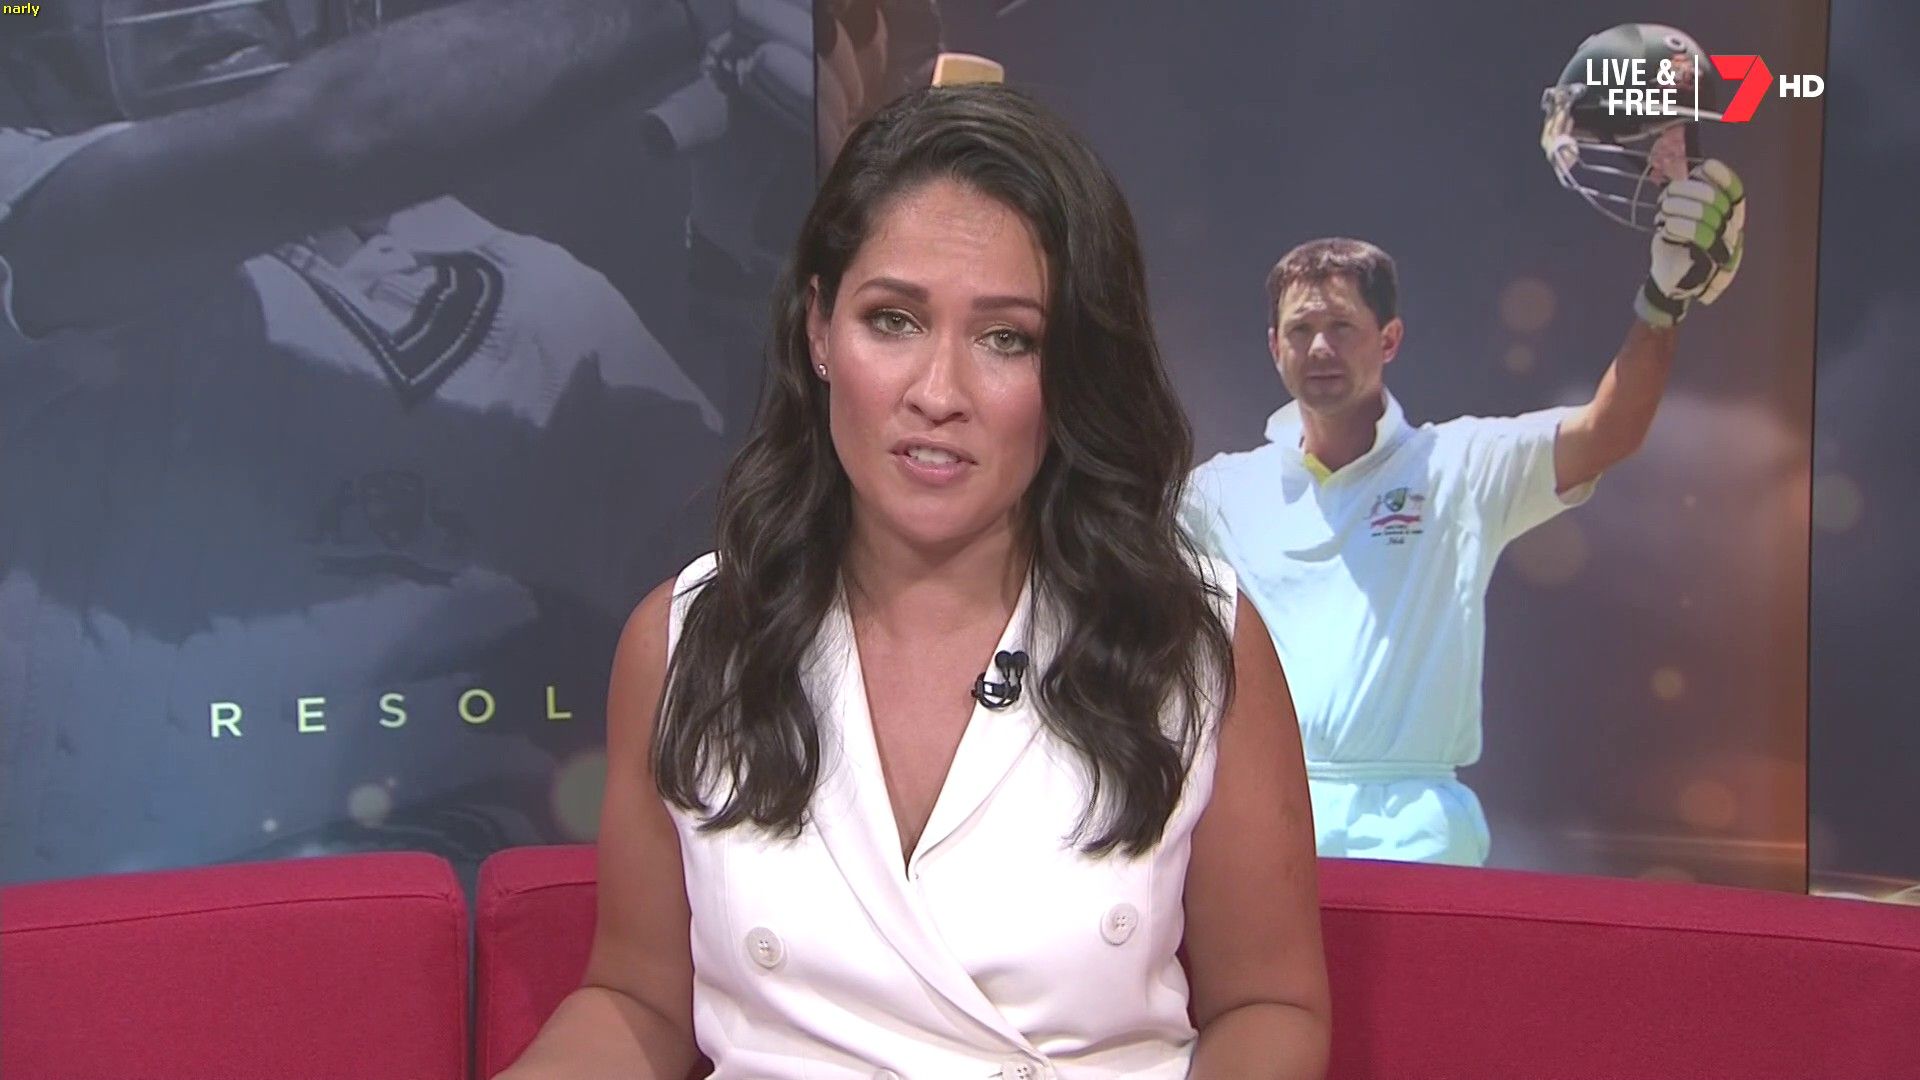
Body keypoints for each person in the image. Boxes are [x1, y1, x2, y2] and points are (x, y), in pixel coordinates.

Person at [498, 84, 1330, 1080]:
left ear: (1070, 368)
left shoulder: (1192, 640)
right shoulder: (689, 641)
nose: (938, 394)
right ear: (820, 329)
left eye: (1006, 338)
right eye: (892, 321)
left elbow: (1269, 1007)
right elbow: (636, 1003)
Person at [0, 0, 732, 883]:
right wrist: (693, 11)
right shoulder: (30, 192)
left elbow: (748, 611)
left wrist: (771, 261)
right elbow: (329, 137)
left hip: (424, 923)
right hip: (76, 931)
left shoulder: (543, 302)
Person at [1179, 172, 1746, 868]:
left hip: (1416, 829)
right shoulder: (1219, 492)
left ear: (1389, 339)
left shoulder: (1461, 465)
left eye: (1341, 327)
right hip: (1262, 814)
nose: (1320, 347)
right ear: (1275, 346)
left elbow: (1609, 430)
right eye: (1301, 330)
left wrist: (1662, 302)